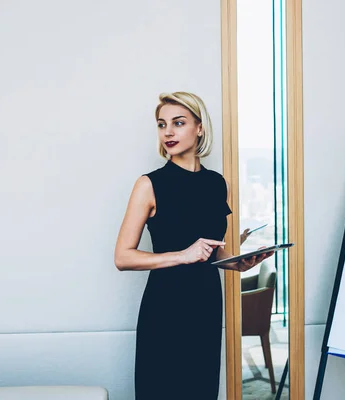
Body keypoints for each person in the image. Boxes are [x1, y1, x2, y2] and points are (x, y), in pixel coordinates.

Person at [114, 91, 273, 400]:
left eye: (178, 122)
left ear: (199, 128)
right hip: (165, 308)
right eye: (162, 125)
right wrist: (181, 255)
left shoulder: (216, 183)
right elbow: (122, 256)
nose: (168, 132)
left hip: (206, 305)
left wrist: (238, 262)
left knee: (201, 389)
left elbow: (213, 251)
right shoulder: (148, 184)